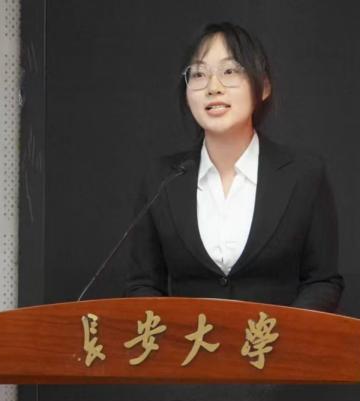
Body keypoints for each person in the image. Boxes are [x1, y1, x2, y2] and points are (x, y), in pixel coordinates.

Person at [124, 22, 343, 311]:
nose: (213, 87)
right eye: (199, 74)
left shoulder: (304, 174)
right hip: (189, 340)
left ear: (263, 86)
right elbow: (143, 284)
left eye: (229, 71)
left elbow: (322, 282)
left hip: (273, 339)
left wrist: (287, 332)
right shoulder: (162, 178)